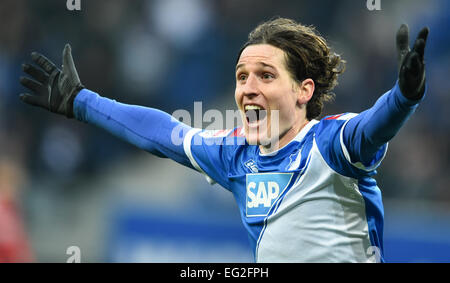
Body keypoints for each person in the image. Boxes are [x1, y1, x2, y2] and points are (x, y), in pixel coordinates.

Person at [18, 18, 429, 263]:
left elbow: (377, 125)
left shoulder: (333, 142)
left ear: (304, 91)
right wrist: (80, 101)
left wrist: (404, 96)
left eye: (266, 76)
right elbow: (165, 134)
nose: (248, 87)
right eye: (241, 76)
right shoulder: (236, 155)